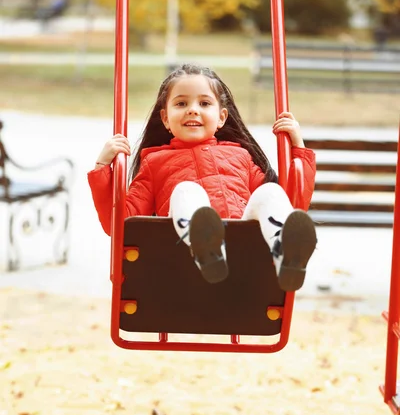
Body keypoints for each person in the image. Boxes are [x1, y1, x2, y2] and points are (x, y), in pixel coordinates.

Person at [88, 63, 317, 292]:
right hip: (182, 265)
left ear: (221, 117)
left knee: (270, 193)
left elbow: (293, 203)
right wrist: (103, 167)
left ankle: (285, 252)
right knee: (186, 191)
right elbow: (119, 225)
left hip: (246, 259)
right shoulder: (154, 163)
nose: (193, 109)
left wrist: (298, 145)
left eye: (205, 103)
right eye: (181, 103)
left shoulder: (241, 157)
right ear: (165, 119)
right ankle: (205, 250)